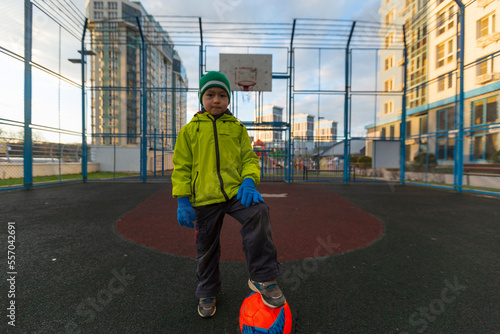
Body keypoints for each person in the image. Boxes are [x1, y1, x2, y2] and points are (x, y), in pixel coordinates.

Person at [172, 71, 285, 318]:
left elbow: (248, 159)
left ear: (229, 99)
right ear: (201, 98)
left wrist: (248, 181)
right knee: (207, 248)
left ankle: (262, 278)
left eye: (222, 95)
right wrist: (183, 199)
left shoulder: (237, 129)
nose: (216, 100)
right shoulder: (189, 132)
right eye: (210, 95)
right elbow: (182, 167)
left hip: (235, 193)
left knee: (259, 212)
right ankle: (207, 291)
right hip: (204, 197)